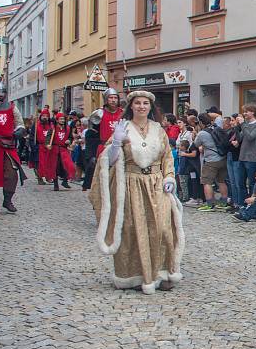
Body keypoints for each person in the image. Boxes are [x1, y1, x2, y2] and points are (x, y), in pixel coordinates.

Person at [89, 90, 184, 294]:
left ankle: (162, 273)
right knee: (134, 229)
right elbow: (109, 161)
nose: (142, 106)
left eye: (145, 103)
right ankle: (134, 276)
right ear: (131, 106)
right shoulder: (123, 127)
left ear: (151, 107)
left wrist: (169, 177)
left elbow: (168, 157)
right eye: (138, 103)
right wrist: (116, 142)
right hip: (131, 184)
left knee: (162, 228)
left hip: (156, 183)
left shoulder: (159, 130)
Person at [0, 82, 26, 214]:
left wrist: (19, 131)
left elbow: (20, 124)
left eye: (3, 92)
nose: (0, 94)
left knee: (12, 174)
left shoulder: (12, 107)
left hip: (8, 146)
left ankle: (7, 201)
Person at [194, 113, 229, 211]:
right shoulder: (217, 128)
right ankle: (224, 203)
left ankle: (210, 204)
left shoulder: (202, 133)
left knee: (207, 182)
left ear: (201, 122)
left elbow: (196, 144)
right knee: (221, 181)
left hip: (211, 161)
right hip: (222, 158)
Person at [40, 112, 76, 191]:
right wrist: (48, 145)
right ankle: (56, 184)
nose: (62, 120)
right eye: (61, 119)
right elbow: (48, 139)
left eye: (63, 119)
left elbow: (70, 137)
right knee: (55, 167)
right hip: (54, 150)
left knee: (69, 165)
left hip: (63, 150)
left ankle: (65, 181)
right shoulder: (52, 129)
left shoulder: (67, 128)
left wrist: (69, 141)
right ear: (57, 120)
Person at [238, 103, 256, 197]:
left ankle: (253, 204)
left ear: (253, 112)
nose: (244, 114)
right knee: (241, 183)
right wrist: (238, 126)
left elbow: (250, 137)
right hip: (242, 157)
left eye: (246, 112)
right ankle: (243, 204)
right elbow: (240, 138)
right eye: (244, 112)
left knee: (253, 183)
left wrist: (242, 124)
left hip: (252, 158)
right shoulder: (246, 124)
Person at [89, 87, 124, 155]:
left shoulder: (123, 113)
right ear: (106, 99)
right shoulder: (99, 113)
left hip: (121, 147)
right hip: (104, 147)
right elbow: (91, 136)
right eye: (110, 97)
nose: (113, 100)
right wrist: (90, 155)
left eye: (115, 98)